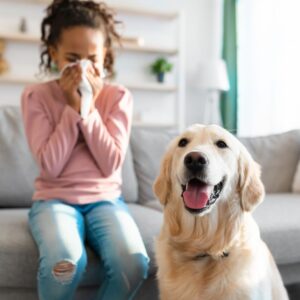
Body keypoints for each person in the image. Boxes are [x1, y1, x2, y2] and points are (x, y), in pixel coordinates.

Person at [21, 0, 149, 299]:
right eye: (72, 57)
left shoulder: (118, 97)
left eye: (92, 58)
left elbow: (111, 163)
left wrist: (87, 110)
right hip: (54, 200)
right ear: (54, 54)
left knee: (133, 262)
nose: (83, 67)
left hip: (105, 200)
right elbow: (50, 166)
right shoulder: (36, 96)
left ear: (106, 57)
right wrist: (70, 109)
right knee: (64, 262)